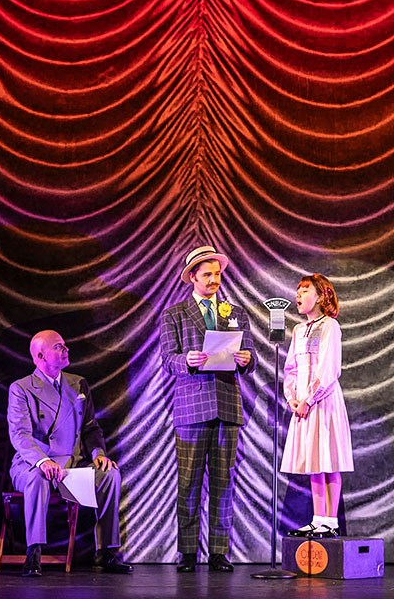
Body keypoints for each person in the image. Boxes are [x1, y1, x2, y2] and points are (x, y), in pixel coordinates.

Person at [157, 244, 256, 572]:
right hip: (191, 407)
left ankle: (218, 551)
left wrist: (246, 359)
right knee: (187, 482)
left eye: (217, 274)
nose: (215, 280)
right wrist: (186, 359)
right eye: (208, 275)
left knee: (223, 482)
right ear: (193, 278)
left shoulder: (235, 312)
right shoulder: (174, 315)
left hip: (227, 405)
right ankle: (187, 553)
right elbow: (168, 360)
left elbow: (250, 355)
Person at [7, 329, 132, 576]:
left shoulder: (78, 383)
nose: (66, 350)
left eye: (64, 345)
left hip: (71, 465)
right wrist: (42, 461)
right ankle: (34, 553)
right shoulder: (21, 388)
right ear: (40, 356)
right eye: (59, 347)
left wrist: (98, 453)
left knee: (109, 475)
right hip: (32, 464)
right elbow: (20, 434)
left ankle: (107, 552)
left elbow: (90, 428)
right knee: (37, 478)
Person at [281, 273, 354, 538]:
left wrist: (309, 399)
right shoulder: (300, 330)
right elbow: (291, 368)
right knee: (314, 461)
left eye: (304, 291)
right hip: (303, 405)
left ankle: (330, 520)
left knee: (329, 459)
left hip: (323, 403)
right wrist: (293, 399)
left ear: (321, 296)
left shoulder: (330, 327)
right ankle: (318, 517)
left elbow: (328, 369)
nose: (298, 296)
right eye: (297, 291)